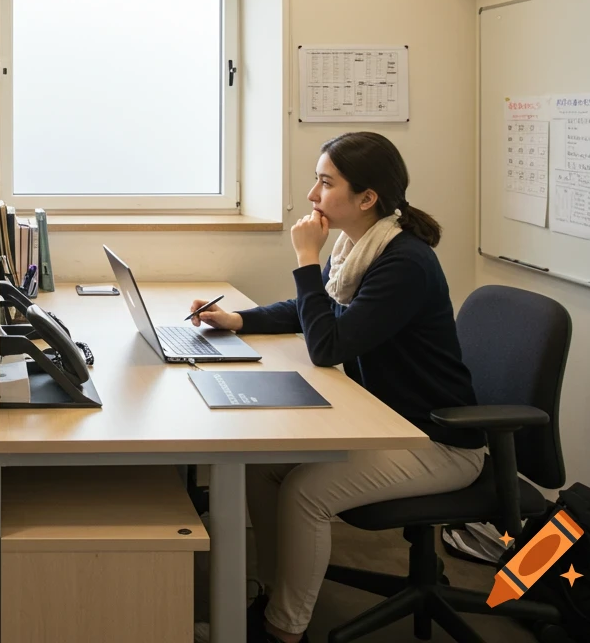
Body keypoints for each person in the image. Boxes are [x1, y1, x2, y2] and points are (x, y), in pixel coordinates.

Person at [188, 132, 485, 643]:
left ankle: (284, 629)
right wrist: (236, 318)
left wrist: (305, 259)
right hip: (387, 424)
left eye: (325, 183)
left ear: (367, 198)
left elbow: (328, 344)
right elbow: (313, 310)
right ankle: (275, 592)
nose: (312, 195)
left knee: (307, 492)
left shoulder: (403, 263)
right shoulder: (359, 247)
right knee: (262, 467)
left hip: (438, 441)